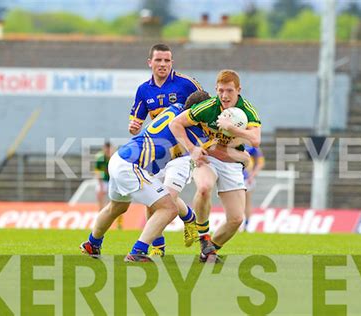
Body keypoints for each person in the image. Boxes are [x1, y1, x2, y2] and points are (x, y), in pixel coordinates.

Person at [80, 91, 248, 262]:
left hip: (120, 158)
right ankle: (138, 252)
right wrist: (244, 156)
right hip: (132, 166)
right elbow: (218, 151)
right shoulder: (195, 133)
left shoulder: (174, 109)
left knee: (116, 207)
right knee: (168, 208)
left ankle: (92, 243)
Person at [170, 69, 261, 262]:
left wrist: (232, 128)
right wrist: (192, 149)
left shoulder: (247, 110)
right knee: (204, 188)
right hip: (206, 158)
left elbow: (255, 139)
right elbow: (175, 124)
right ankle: (204, 238)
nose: (224, 95)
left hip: (231, 163)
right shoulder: (208, 107)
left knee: (236, 219)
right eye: (220, 90)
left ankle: (208, 252)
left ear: (238, 90)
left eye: (229, 90)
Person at [128, 43, 203, 254]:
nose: (163, 64)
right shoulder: (144, 90)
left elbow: (205, 107)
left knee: (167, 198)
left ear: (172, 62)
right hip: (157, 154)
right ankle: (158, 247)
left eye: (167, 60)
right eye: (158, 60)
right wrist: (133, 127)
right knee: (152, 199)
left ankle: (188, 217)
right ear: (149, 62)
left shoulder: (187, 84)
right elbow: (136, 125)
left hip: (182, 153)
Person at [242, 145, 265, 231]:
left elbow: (260, 163)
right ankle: (235, 222)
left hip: (246, 178)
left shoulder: (252, 146)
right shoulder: (232, 140)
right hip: (233, 177)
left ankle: (246, 224)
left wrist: (252, 175)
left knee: (247, 201)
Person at [94, 142, 112, 210]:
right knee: (99, 193)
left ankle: (109, 211)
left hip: (111, 180)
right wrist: (100, 184)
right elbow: (98, 171)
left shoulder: (113, 157)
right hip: (103, 180)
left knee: (112, 198)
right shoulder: (100, 158)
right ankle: (100, 210)